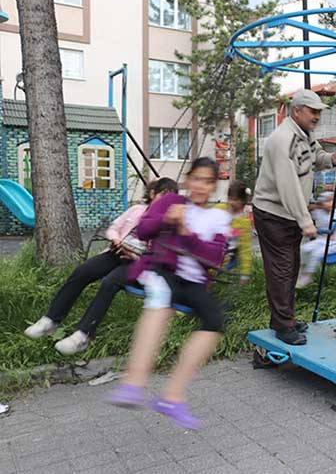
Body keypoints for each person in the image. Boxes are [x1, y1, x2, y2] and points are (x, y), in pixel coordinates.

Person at [106, 157, 230, 430]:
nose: (201, 186)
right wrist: (167, 218)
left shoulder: (217, 216)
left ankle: (172, 397)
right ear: (188, 180)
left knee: (215, 320)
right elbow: (143, 230)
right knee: (161, 300)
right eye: (197, 179)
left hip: (194, 283)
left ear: (214, 186)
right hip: (162, 271)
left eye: (208, 181)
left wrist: (186, 233)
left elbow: (214, 258)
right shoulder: (170, 201)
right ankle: (133, 383)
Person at [24, 178, 178, 355]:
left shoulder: (168, 224)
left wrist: (134, 255)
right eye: (162, 195)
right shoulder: (137, 210)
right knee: (83, 271)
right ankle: (50, 320)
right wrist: (116, 239)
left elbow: (159, 255)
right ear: (152, 194)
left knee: (110, 282)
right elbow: (114, 228)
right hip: (117, 251)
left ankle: (83, 335)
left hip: (139, 263)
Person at [252, 89, 336, 345]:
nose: (317, 116)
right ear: (297, 111)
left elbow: (313, 157)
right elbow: (288, 185)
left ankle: (284, 319)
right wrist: (305, 221)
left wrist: (331, 159)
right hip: (273, 213)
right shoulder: (281, 139)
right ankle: (283, 326)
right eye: (313, 111)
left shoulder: (304, 134)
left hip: (288, 213)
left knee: (291, 266)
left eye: (319, 111)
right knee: (282, 269)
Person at [296, 192, 336, 288]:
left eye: (332, 201)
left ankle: (308, 276)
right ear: (321, 203)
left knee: (316, 253)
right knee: (303, 249)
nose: (330, 204)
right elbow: (308, 208)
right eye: (327, 201)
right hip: (322, 240)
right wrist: (316, 206)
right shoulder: (319, 212)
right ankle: (301, 269)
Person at [215, 180, 252, 285]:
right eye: (229, 199)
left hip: (228, 262)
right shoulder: (219, 210)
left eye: (235, 200)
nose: (231, 202)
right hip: (213, 257)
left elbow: (245, 250)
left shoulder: (244, 222)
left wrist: (245, 273)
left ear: (242, 200)